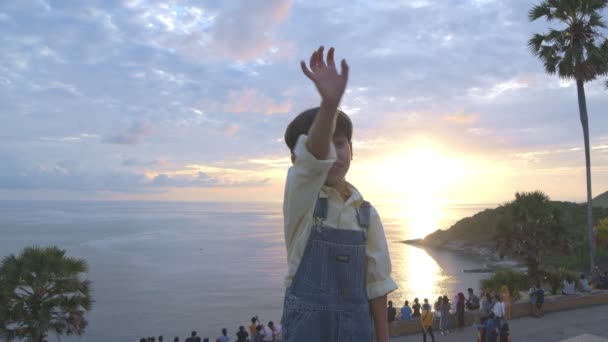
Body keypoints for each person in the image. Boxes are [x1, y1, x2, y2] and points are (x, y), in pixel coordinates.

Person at [280, 46, 397, 342]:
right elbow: (315, 156)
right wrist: (329, 105)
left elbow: (377, 286)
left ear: (353, 149)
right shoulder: (301, 197)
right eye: (326, 144)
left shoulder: (366, 215)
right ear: (298, 159)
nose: (334, 154)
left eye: (341, 143)